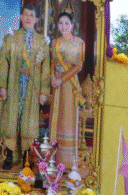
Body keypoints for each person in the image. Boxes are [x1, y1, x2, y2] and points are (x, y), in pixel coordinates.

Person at [0, 3, 50, 170]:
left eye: (32, 15)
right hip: (13, 85)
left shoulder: (42, 42)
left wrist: (44, 91)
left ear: (36, 19)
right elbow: (3, 61)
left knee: (29, 122)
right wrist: (1, 85)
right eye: (25, 14)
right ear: (20, 17)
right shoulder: (11, 37)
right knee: (11, 119)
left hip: (32, 88)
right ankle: (9, 156)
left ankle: (26, 159)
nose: (28, 18)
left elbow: (46, 69)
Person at [49, 11, 85, 167]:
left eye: (66, 23)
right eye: (61, 23)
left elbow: (78, 67)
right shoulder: (54, 42)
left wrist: (61, 80)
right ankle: (53, 159)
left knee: (68, 119)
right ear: (57, 25)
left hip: (70, 85)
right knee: (56, 118)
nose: (63, 26)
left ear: (72, 25)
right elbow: (51, 63)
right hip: (56, 85)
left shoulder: (79, 43)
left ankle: (68, 162)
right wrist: (52, 78)